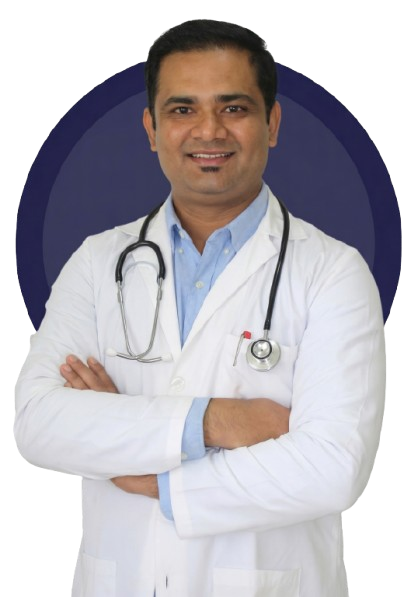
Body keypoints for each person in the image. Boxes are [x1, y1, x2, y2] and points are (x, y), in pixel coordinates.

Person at [14, 19, 386, 597]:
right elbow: (38, 424)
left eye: (233, 107)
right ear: (152, 129)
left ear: (272, 124)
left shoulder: (332, 272)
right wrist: (218, 421)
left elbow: (332, 469)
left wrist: (151, 476)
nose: (208, 130)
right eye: (182, 109)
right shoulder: (97, 263)